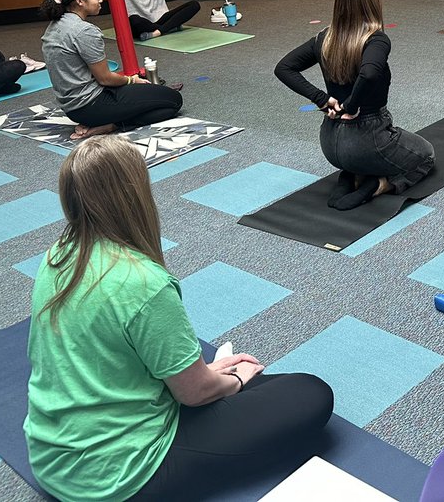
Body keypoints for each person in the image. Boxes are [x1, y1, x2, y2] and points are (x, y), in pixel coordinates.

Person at [25, 135, 334, 501]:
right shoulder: (143, 282)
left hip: (50, 459)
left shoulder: (58, 256)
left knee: (254, 383)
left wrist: (207, 375)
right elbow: (194, 394)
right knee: (310, 392)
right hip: (120, 476)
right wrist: (231, 380)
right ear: (133, 194)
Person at [275, 0, 435, 210]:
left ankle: (350, 175)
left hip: (330, 144)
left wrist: (323, 99)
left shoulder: (323, 38)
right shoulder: (376, 40)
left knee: (367, 155)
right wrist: (351, 106)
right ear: (373, 4)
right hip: (367, 140)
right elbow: (369, 73)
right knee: (426, 155)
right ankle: (380, 184)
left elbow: (284, 68)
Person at [40, 0, 183, 139]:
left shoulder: (54, 26)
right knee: (173, 101)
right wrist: (132, 80)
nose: (100, 0)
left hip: (72, 108)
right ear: (80, 1)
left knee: (153, 94)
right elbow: (105, 79)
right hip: (91, 105)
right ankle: (110, 126)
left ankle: (107, 119)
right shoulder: (84, 31)